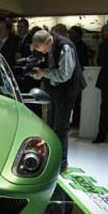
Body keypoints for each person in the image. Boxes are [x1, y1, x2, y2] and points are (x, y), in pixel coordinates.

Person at [32, 30, 87, 171]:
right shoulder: (52, 45)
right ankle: (52, 158)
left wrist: (44, 73)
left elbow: (64, 75)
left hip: (67, 90)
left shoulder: (65, 46)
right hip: (55, 89)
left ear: (49, 41)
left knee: (60, 127)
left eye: (44, 50)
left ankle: (61, 163)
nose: (44, 53)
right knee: (51, 125)